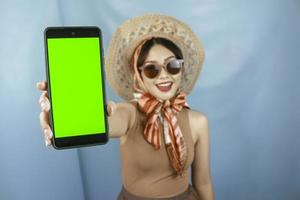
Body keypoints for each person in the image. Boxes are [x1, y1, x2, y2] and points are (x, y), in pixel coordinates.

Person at [37, 14, 214, 200]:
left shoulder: (198, 121)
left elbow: (203, 183)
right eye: (151, 69)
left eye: (172, 65)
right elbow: (105, 121)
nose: (164, 76)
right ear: (139, 75)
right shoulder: (130, 114)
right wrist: (57, 110)